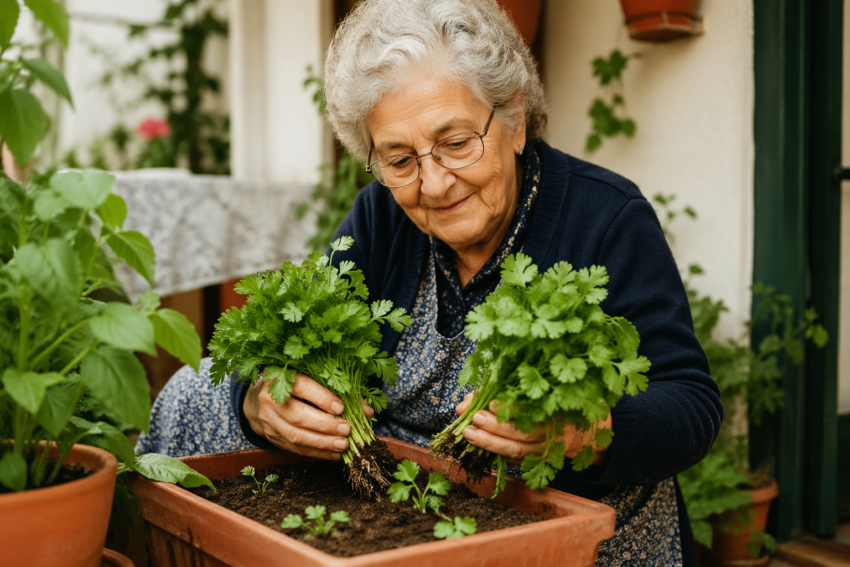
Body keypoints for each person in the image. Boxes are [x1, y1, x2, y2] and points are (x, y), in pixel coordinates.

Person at [141, 1, 721, 565]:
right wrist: (262, 400)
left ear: (514, 119)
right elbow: (299, 334)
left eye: (456, 143)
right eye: (399, 160)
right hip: (400, 484)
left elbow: (690, 402)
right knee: (194, 394)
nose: (435, 183)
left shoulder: (607, 217)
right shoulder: (381, 216)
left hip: (546, 494)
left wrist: (584, 432)